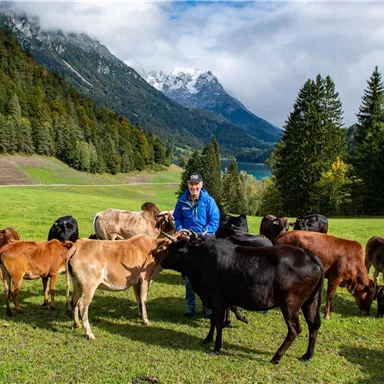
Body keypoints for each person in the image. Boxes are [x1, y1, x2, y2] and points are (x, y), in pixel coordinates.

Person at [173, 172, 220, 317]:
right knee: (189, 276)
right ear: (188, 185)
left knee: (207, 276)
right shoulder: (181, 201)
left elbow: (214, 220)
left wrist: (205, 233)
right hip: (189, 243)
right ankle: (190, 306)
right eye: (191, 184)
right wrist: (181, 230)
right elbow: (177, 218)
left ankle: (207, 307)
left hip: (206, 242)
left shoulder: (208, 201)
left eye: (196, 184)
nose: (194, 187)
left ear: (201, 184)